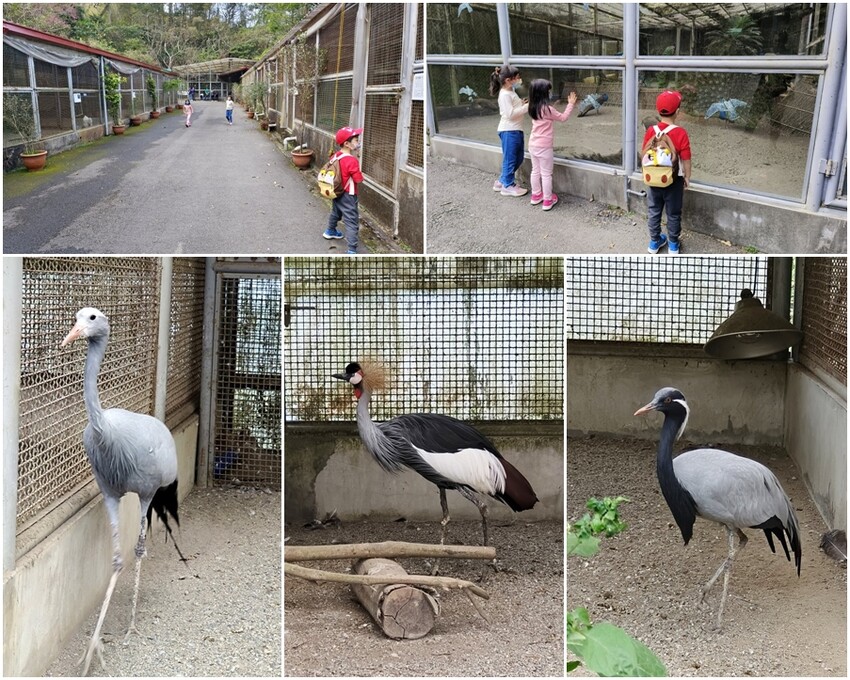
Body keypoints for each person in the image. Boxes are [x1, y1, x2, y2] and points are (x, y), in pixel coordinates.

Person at [642, 90, 692, 254]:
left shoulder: (651, 130)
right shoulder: (680, 132)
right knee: (673, 213)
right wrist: (687, 177)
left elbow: (644, 151)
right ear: (677, 111)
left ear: (658, 111)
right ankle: (673, 244)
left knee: (654, 210)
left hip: (653, 178)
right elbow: (686, 158)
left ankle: (654, 242)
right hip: (674, 180)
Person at [527, 80, 577, 211]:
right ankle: (548, 200)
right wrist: (570, 104)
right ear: (543, 94)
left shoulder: (532, 107)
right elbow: (563, 117)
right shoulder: (548, 109)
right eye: (548, 91)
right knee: (546, 174)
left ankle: (536, 195)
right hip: (544, 147)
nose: (550, 93)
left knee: (535, 171)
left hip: (532, 144)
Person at [323, 126, 364, 255]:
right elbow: (358, 179)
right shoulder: (351, 160)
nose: (358, 143)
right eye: (356, 140)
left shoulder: (336, 156)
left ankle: (330, 231)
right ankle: (352, 249)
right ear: (347, 144)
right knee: (351, 220)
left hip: (336, 191)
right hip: (348, 194)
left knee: (336, 211)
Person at [489, 65, 528, 197]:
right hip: (509, 131)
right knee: (511, 159)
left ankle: (501, 181)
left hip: (515, 130)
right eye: (517, 78)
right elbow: (510, 114)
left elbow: (512, 109)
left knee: (518, 158)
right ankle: (508, 185)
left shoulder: (510, 91)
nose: (519, 79)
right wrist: (527, 107)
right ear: (508, 80)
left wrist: (521, 104)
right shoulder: (505, 94)